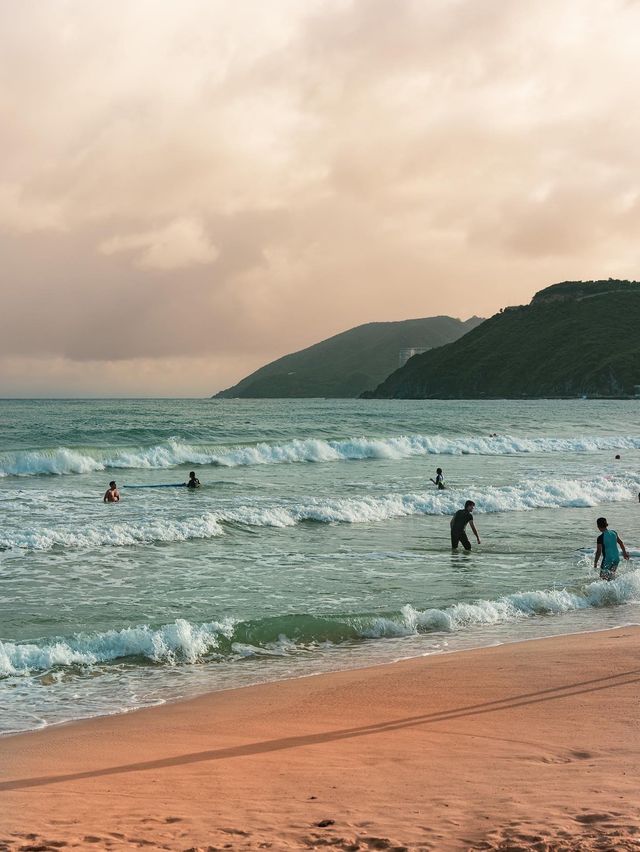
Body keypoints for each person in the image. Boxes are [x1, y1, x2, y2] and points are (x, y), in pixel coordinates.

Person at [594, 516, 629, 580]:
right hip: (616, 558)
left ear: (598, 526)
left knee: (603, 579)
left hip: (607, 560)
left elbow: (599, 551)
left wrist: (595, 562)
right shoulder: (614, 532)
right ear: (606, 525)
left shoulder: (600, 537)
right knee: (611, 577)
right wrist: (624, 553)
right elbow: (621, 542)